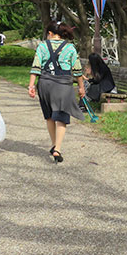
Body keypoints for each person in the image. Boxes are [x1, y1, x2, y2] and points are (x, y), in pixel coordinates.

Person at [28, 21, 86, 163]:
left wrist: (31, 85)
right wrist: (81, 87)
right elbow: (77, 70)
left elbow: (36, 67)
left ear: (50, 33)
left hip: (45, 83)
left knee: (49, 116)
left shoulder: (42, 46)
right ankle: (57, 149)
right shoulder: (70, 48)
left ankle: (54, 144)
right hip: (63, 84)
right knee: (61, 116)